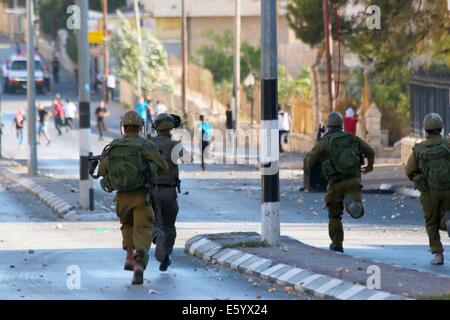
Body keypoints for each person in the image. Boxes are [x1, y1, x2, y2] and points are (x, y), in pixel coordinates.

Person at [98, 111, 168, 285]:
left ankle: (129, 256)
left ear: (124, 127)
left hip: (121, 198)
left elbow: (101, 171)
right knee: (143, 229)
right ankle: (138, 264)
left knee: (127, 226)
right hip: (142, 196)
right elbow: (163, 166)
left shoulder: (113, 146)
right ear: (140, 127)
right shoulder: (145, 145)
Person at [306, 112, 375, 253]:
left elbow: (309, 162)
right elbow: (370, 152)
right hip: (354, 179)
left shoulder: (324, 142)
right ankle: (356, 206)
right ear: (341, 126)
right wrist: (369, 166)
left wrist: (318, 148)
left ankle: (337, 244)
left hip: (335, 182)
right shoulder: (352, 138)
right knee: (355, 198)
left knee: (334, 215)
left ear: (328, 126)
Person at [405, 113, 450, 265]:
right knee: (445, 216)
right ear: (441, 128)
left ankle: (438, 254)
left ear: (426, 130)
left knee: (431, 222)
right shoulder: (448, 144)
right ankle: (447, 223)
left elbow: (410, 170)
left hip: (430, 190)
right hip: (448, 188)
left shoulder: (419, 149)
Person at [150, 113, 191, 271]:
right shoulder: (175, 145)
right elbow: (189, 159)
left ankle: (158, 239)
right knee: (169, 226)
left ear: (156, 127)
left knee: (152, 223)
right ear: (171, 128)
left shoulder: (148, 143)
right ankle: (166, 254)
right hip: (169, 191)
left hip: (152, 191)